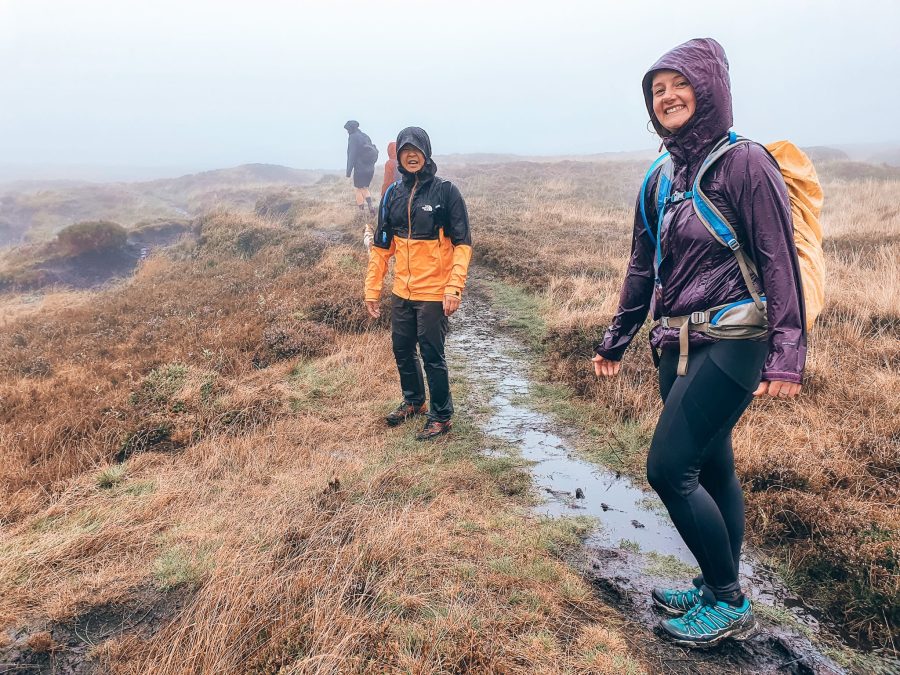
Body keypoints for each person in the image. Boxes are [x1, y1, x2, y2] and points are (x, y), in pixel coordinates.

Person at [592, 38, 806, 647]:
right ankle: (715, 588)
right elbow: (642, 268)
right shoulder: (660, 177)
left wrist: (787, 354)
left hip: (735, 340)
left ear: (708, 86)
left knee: (667, 468)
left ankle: (730, 600)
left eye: (679, 84)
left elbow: (778, 260)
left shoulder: (746, 163)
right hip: (673, 341)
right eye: (657, 90)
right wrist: (616, 340)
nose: (667, 97)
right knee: (712, 467)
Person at [364, 127, 472, 440]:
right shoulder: (391, 195)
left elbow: (463, 245)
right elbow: (383, 248)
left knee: (431, 353)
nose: (411, 156)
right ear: (398, 156)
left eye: (417, 150)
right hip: (402, 290)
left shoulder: (446, 192)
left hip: (435, 292)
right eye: (405, 151)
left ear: (426, 153)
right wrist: (372, 290)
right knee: (401, 348)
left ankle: (441, 416)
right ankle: (414, 401)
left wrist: (454, 288)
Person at [344, 120, 377, 217]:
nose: (347, 132)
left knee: (359, 188)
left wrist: (348, 172)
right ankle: (369, 207)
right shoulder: (365, 136)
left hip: (360, 168)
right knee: (363, 188)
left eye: (347, 130)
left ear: (350, 129)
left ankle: (363, 211)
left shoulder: (353, 137)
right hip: (370, 168)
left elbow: (351, 155)